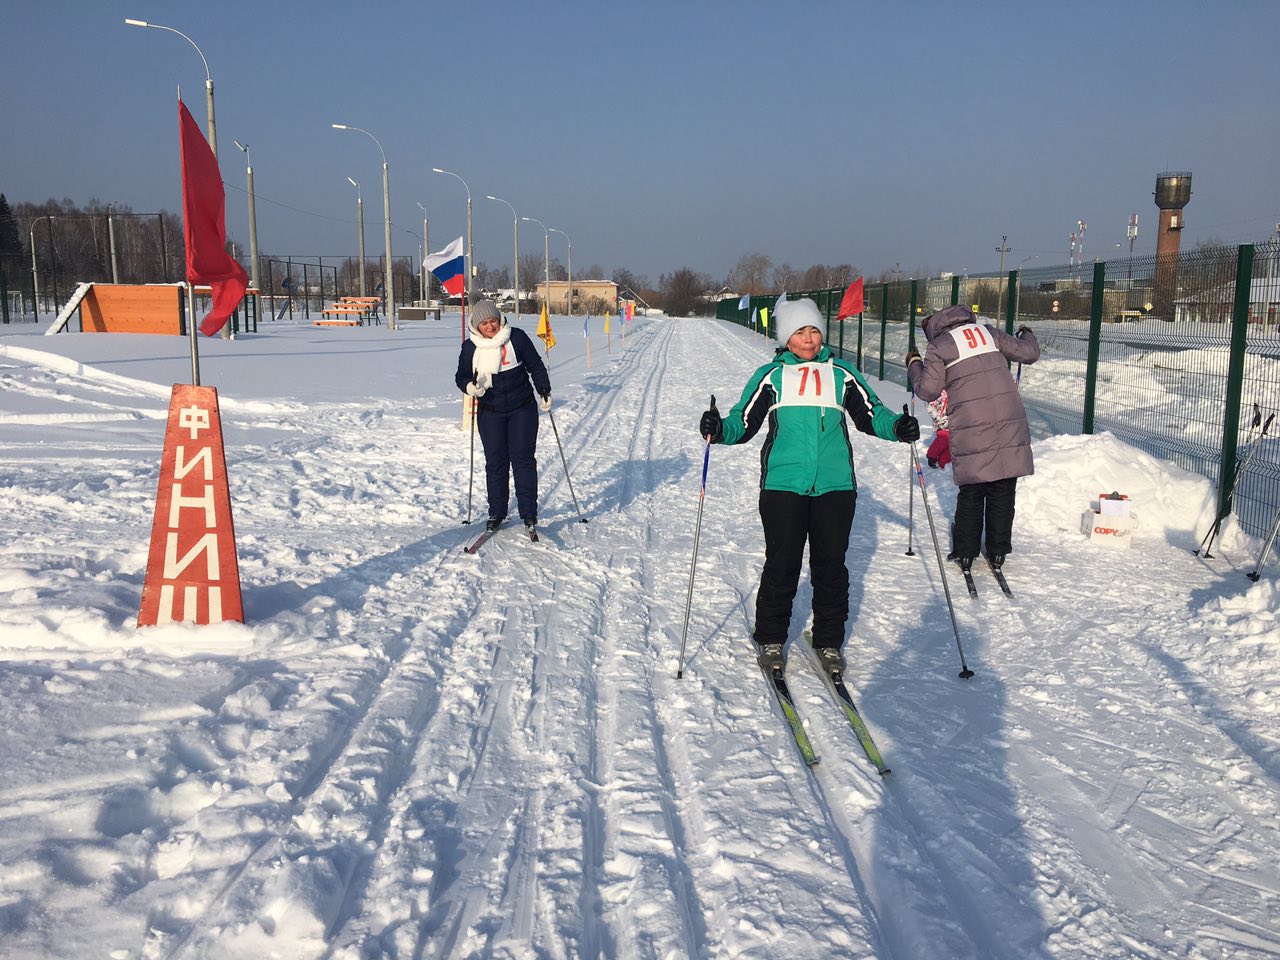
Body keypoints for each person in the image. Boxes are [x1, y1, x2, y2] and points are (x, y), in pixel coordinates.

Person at [699, 297, 919, 674]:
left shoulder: (841, 374)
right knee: (782, 563)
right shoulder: (772, 376)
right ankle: (771, 637)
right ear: (786, 337)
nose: (808, 338)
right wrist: (718, 429)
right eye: (800, 331)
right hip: (783, 484)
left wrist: (898, 427)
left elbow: (872, 415)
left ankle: (829, 641)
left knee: (830, 567)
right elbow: (743, 422)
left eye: (814, 330)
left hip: (835, 485)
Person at [906, 305, 1040, 571]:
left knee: (973, 487)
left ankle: (966, 551)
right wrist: (1026, 333)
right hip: (1009, 416)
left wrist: (914, 364)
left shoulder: (939, 346)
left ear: (936, 328)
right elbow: (1029, 353)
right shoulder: (988, 332)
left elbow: (928, 390)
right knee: (1003, 483)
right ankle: (998, 549)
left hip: (971, 421)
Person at [455, 299, 552, 533]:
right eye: (485, 324)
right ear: (477, 326)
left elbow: (535, 365)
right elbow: (461, 376)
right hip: (490, 412)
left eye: (493, 321)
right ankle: (497, 512)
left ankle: (529, 513)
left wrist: (544, 390)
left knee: (523, 459)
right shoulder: (470, 347)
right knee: (496, 462)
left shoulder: (516, 337)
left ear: (500, 319)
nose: (490, 327)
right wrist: (469, 387)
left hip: (522, 408)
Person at [925, 390, 952, 469]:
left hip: (956, 416)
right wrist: (937, 416)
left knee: (956, 444)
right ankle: (932, 455)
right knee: (945, 438)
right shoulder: (938, 390)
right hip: (942, 418)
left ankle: (943, 462)